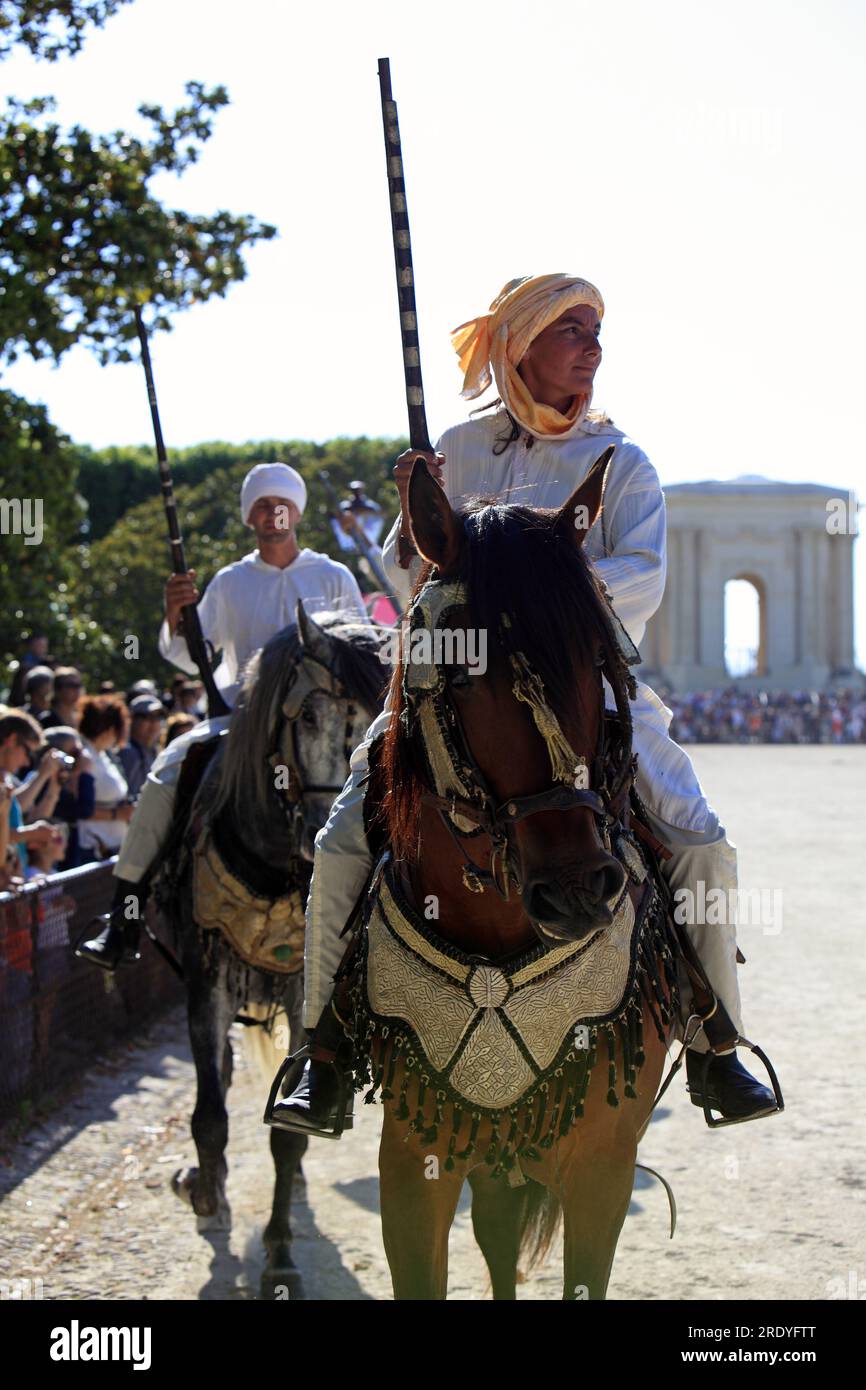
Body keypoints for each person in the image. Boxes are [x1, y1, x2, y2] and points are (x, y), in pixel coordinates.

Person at [274, 273, 777, 1136]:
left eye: (595, 331)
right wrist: (415, 507)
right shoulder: (457, 452)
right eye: (572, 328)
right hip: (452, 687)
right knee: (340, 841)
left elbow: (644, 578)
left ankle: (713, 1042)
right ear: (521, 346)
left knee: (702, 843)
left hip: (590, 689)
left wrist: (532, 604)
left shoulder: (623, 463)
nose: (593, 346)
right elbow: (408, 576)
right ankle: (319, 1051)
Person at [76, 461, 372, 972]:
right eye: (260, 503)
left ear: (295, 511)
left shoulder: (334, 575)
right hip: (241, 722)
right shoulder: (230, 582)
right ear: (249, 517)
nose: (271, 511)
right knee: (168, 772)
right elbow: (194, 658)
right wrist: (176, 617)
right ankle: (124, 915)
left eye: (280, 502)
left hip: (320, 728)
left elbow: (363, 654)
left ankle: (391, 915)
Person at [74, 695, 132, 863]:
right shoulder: (84, 757)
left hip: (111, 847)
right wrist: (117, 814)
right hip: (93, 849)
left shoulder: (102, 755)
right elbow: (80, 808)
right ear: (110, 729)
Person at [117, 695, 165, 801]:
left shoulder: (156, 750)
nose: (154, 723)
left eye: (158, 717)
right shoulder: (128, 752)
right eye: (147, 717)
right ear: (132, 720)